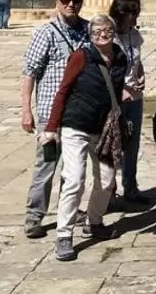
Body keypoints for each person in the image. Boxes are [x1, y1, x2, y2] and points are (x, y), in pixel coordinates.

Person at [40, 14, 129, 261]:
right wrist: (50, 127)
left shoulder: (120, 57)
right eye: (97, 30)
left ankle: (94, 222)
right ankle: (64, 235)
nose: (103, 33)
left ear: (113, 30)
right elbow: (63, 90)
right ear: (90, 35)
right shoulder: (81, 56)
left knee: (108, 179)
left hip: (104, 130)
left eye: (107, 29)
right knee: (75, 179)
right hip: (75, 125)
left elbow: (117, 90)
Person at [21, 0, 90, 239]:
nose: (71, 5)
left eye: (75, 1)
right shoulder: (45, 33)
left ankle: (67, 209)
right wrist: (26, 110)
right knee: (46, 165)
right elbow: (29, 72)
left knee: (73, 168)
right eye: (65, 0)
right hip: (50, 114)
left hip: (78, 113)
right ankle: (34, 216)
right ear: (57, 2)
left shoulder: (87, 30)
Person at [110, 0, 151, 205]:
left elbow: (137, 59)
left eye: (136, 14)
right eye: (131, 14)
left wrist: (141, 73)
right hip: (114, 99)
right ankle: (108, 191)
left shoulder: (134, 36)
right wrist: (120, 88)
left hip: (134, 97)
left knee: (132, 144)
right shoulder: (108, 36)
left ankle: (131, 187)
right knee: (111, 145)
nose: (134, 18)